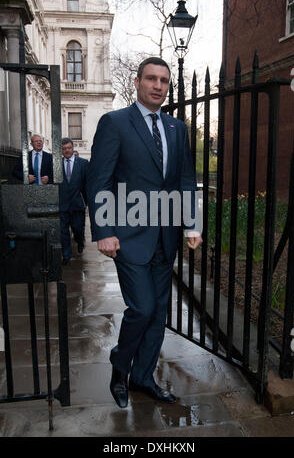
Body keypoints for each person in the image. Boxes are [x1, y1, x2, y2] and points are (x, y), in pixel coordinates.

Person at [87, 57, 202, 408]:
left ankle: (142, 377)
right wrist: (104, 230)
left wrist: (191, 223)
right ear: (137, 83)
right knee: (142, 307)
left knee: (158, 314)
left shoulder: (176, 129)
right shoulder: (115, 123)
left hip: (165, 238)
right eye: (151, 79)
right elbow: (99, 180)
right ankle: (120, 366)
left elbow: (184, 180)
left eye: (164, 81)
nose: (158, 86)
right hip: (128, 237)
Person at [59, 137, 88, 265]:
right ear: (61, 150)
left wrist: (86, 202)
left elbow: (87, 184)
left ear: (73, 148)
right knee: (63, 231)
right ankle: (66, 255)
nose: (67, 150)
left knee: (77, 228)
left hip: (77, 204)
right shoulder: (57, 164)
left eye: (69, 148)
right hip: (62, 205)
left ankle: (80, 241)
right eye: (64, 148)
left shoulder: (83, 163)